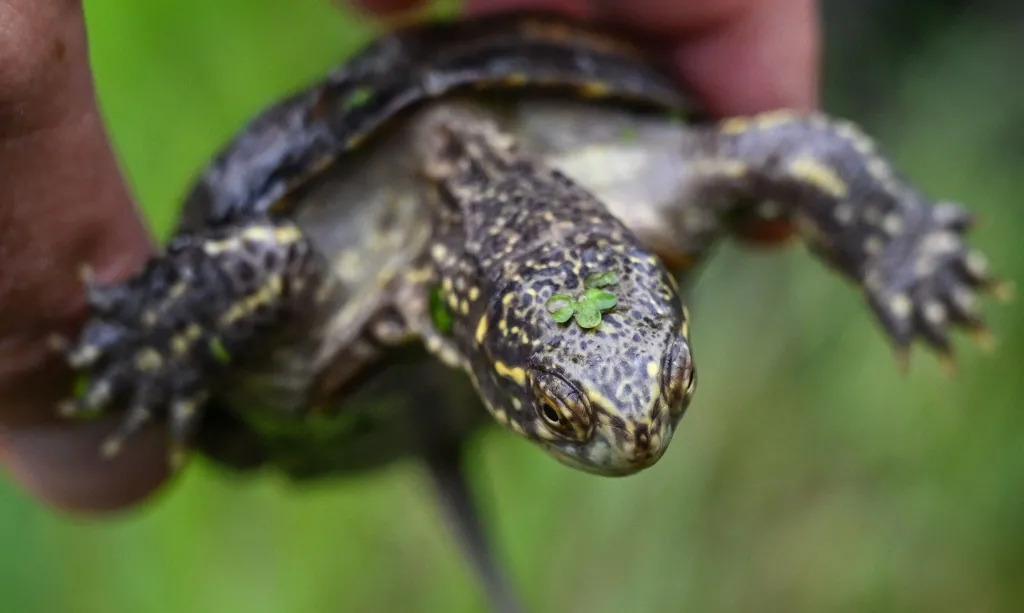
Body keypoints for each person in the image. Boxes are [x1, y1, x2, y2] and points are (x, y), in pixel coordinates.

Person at [0, 0, 819, 512]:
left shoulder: (635, 176)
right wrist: (144, 343)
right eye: (569, 413)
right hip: (310, 368)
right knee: (261, 270)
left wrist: (900, 252)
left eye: (673, 381)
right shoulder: (295, 264)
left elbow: (796, 153)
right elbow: (785, 146)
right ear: (488, 329)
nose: (642, 434)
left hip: (365, 382)